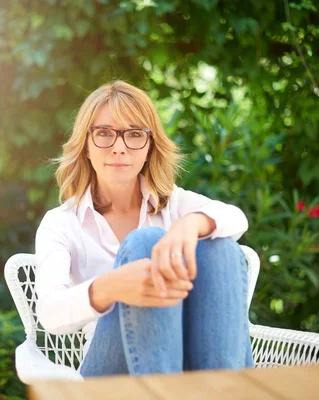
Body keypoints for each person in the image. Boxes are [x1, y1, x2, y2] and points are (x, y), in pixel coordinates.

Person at [34, 80, 254, 377]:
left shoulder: (173, 203)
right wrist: (113, 286)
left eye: (135, 134)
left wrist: (190, 225)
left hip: (192, 366)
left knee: (218, 243)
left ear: (149, 147)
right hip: (109, 376)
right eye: (104, 134)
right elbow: (49, 313)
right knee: (146, 242)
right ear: (86, 146)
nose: (119, 147)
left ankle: (220, 391)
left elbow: (235, 218)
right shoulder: (61, 223)